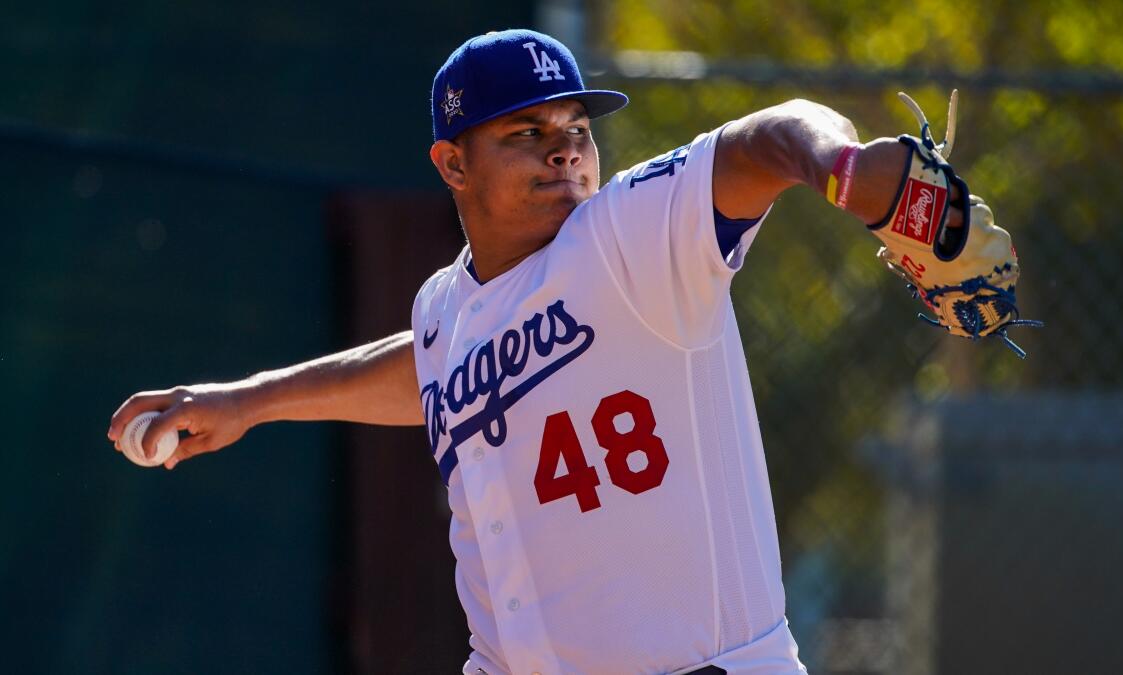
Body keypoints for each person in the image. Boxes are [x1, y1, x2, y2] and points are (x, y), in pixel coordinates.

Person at [109, 29, 966, 674]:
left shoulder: (628, 237)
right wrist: (249, 398)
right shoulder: (448, 307)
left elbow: (772, 134)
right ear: (452, 163)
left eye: (576, 129)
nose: (564, 146)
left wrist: (842, 166)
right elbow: (433, 364)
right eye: (524, 132)